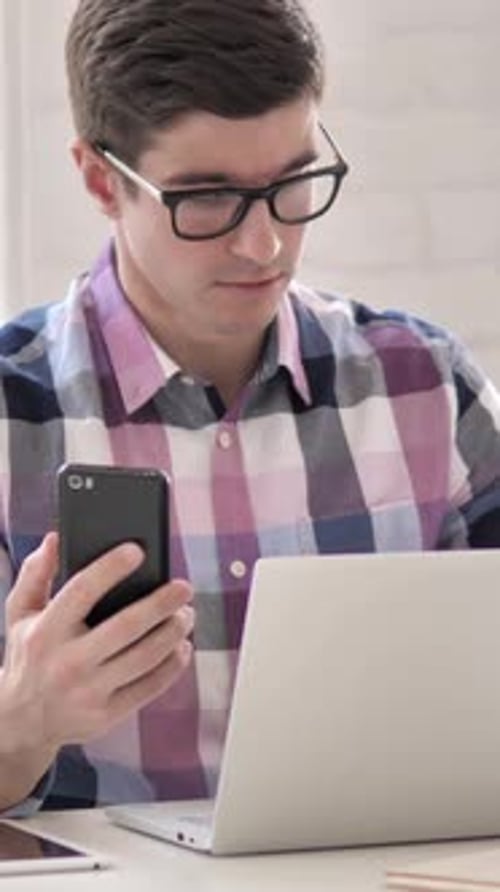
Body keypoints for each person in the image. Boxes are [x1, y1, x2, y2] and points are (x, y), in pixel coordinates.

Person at [1, 0, 500, 815]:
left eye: (293, 184)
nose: (263, 244)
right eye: (207, 199)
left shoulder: (427, 388)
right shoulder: (12, 416)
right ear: (100, 179)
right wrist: (20, 726)